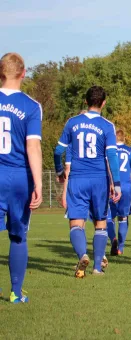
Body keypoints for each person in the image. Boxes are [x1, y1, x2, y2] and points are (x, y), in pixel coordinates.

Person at [54, 86, 122, 278]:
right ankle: (97, 267)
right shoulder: (107, 126)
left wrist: (60, 171)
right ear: (104, 102)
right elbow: (111, 156)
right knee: (100, 222)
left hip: (77, 178)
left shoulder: (72, 122)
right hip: (99, 179)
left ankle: (83, 254)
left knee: (76, 222)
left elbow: (58, 151)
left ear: (85, 101)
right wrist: (116, 184)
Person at [0, 52, 43, 303]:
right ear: (24, 73)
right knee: (18, 236)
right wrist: (38, 183)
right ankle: (16, 292)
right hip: (18, 177)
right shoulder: (30, 105)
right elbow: (33, 147)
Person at [108, 129, 131, 256]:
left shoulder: (110, 150)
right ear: (124, 138)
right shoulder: (129, 150)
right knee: (123, 217)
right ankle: (121, 247)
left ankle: (113, 238)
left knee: (109, 217)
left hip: (112, 186)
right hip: (126, 186)